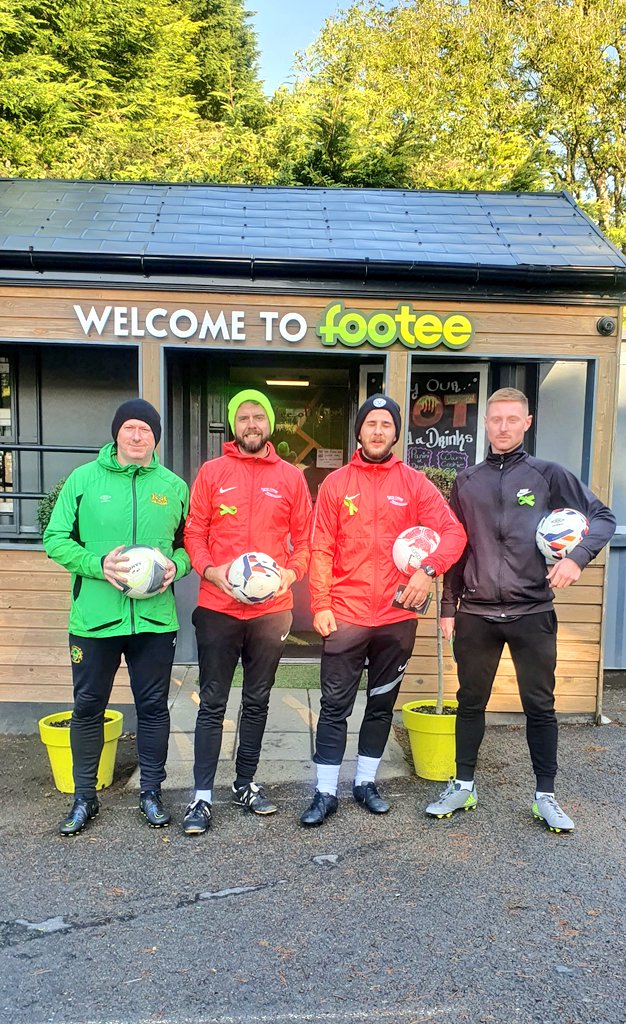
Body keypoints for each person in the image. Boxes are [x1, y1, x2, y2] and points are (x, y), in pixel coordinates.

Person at [425, 387, 616, 832]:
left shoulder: (548, 474)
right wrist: (448, 607)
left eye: (513, 419)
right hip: (476, 614)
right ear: (485, 423)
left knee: (540, 706)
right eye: (496, 419)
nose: (504, 427)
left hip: (532, 611)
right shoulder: (467, 481)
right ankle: (463, 786)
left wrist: (576, 558)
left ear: (527, 423)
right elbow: (457, 547)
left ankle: (545, 796)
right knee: (470, 702)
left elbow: (603, 517)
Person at [300, 394, 467, 826]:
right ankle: (324, 792)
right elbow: (320, 548)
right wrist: (320, 604)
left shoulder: (415, 484)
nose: (378, 431)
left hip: (397, 617)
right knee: (334, 706)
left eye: (386, 424)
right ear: (359, 431)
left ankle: (366, 783)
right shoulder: (336, 484)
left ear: (396, 433)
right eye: (371, 423)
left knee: (380, 704)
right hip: (346, 614)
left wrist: (428, 570)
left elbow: (453, 534)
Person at [44, 399, 191, 836]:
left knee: (153, 708)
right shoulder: (83, 479)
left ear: (155, 438)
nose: (137, 435)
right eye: (129, 427)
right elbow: (54, 538)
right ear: (116, 433)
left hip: (154, 621)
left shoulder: (173, 486)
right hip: (94, 621)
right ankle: (84, 797)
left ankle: (151, 792)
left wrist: (177, 567)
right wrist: (97, 565)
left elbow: (189, 545)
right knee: (88, 707)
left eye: (146, 429)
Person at [182, 389, 312, 834]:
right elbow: (194, 532)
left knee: (257, 699)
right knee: (212, 701)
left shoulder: (291, 478)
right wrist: (210, 570)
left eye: (259, 416)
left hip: (271, 610)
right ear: (233, 424)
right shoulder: (212, 472)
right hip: (217, 606)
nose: (251, 424)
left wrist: (291, 574)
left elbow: (306, 541)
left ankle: (245, 783)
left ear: (269, 424)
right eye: (243, 416)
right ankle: (201, 797)